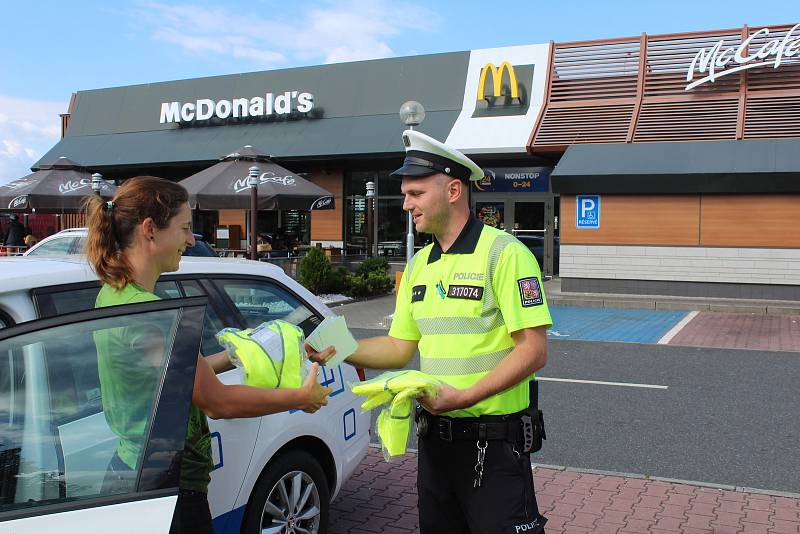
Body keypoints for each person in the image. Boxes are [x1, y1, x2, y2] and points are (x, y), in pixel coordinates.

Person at [308, 130, 551, 534]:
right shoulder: (420, 263)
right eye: (405, 194)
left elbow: (533, 351)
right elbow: (400, 347)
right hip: (435, 447)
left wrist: (464, 397)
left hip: (493, 450)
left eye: (416, 193)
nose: (406, 205)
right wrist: (338, 348)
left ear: (453, 190)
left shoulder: (505, 254)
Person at [84, 176, 332, 534]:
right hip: (168, 486)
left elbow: (178, 374)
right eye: (184, 227)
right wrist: (300, 397)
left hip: (130, 468)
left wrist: (246, 351)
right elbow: (218, 402)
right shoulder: (151, 315)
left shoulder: (115, 293)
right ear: (150, 229)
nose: (190, 240)